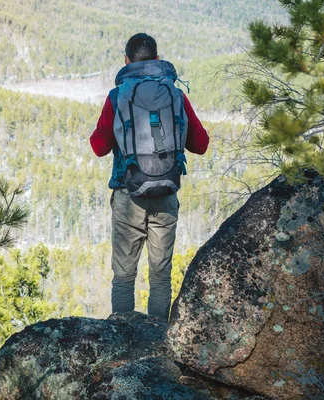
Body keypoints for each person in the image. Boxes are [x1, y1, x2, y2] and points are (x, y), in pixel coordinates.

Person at [90, 33, 209, 321]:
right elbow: (201, 144)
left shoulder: (117, 96)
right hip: (166, 193)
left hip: (128, 195)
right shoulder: (175, 94)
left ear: (126, 61)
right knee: (160, 275)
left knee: (123, 275)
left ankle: (121, 342)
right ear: (158, 59)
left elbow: (98, 147)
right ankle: (157, 341)